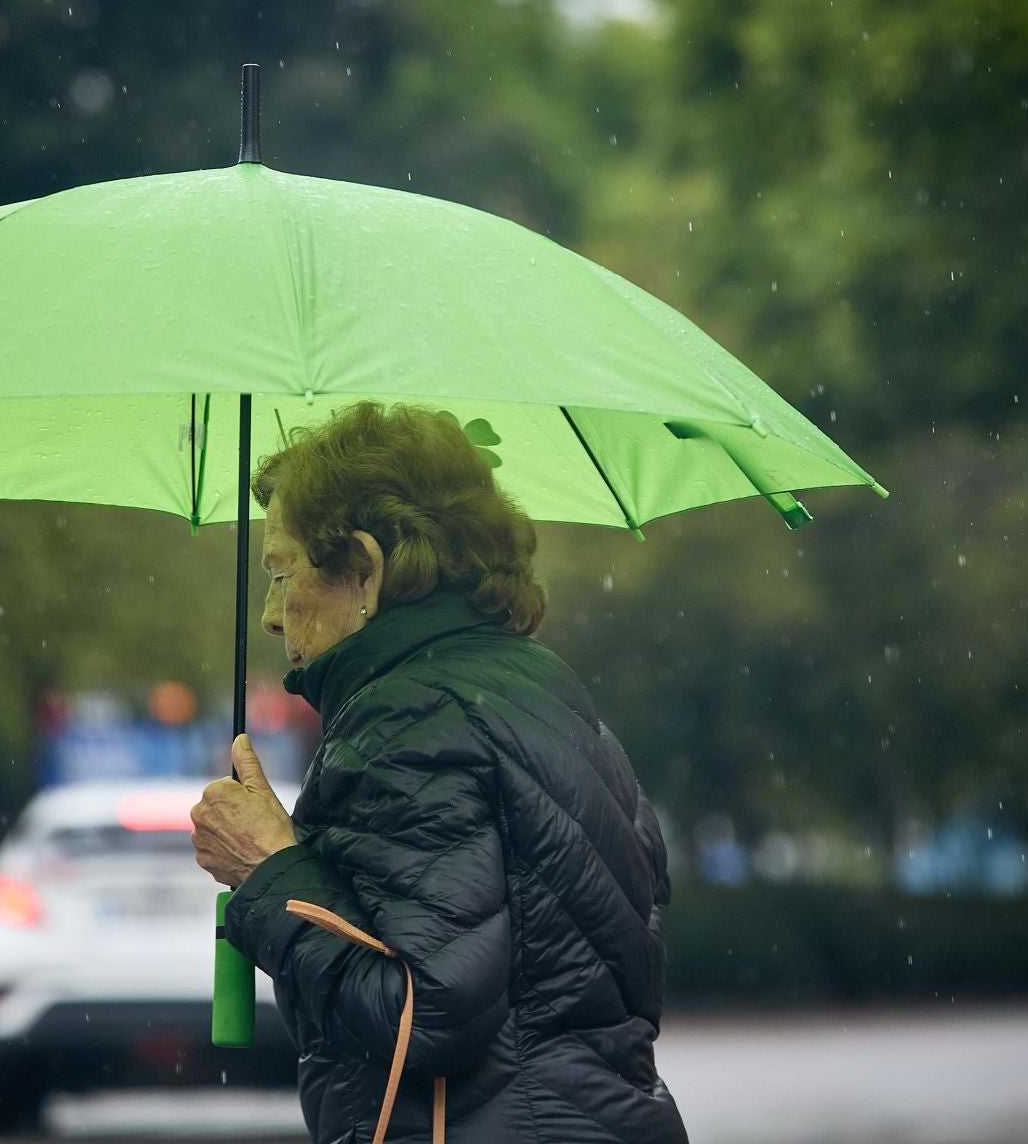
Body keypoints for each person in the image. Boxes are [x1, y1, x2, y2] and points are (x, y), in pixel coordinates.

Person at [191, 402, 687, 1144]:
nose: (269, 614)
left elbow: (421, 1019)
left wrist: (269, 874)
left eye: (281, 571)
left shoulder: (407, 723)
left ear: (363, 569)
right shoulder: (537, 691)